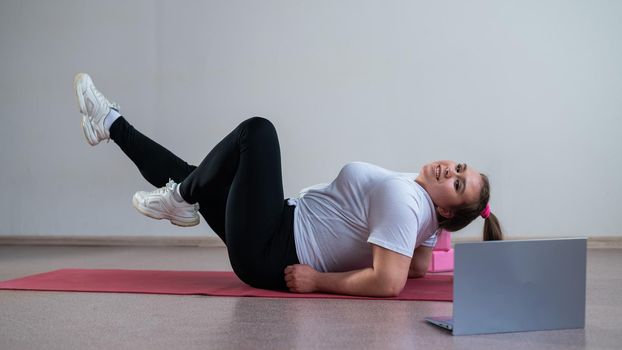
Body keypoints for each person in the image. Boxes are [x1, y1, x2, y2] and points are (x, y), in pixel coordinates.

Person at [74, 73, 503, 297]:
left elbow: (389, 283)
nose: (452, 171)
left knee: (257, 133)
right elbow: (419, 267)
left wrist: (319, 281)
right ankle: (109, 123)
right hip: (278, 225)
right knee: (197, 171)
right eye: (459, 167)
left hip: (274, 248)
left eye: (459, 184)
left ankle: (178, 198)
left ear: (448, 210)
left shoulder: (407, 200)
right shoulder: (424, 211)